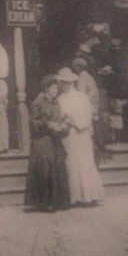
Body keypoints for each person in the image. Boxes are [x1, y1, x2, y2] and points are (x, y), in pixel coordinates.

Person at [56, 67, 104, 206]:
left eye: (68, 82)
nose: (66, 85)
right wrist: (64, 123)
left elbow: (87, 117)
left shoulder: (82, 98)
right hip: (68, 136)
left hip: (81, 134)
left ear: (73, 83)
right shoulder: (59, 99)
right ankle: (74, 197)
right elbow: (59, 117)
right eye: (63, 82)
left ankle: (89, 196)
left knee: (84, 163)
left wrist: (75, 122)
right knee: (71, 164)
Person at [24, 74, 70, 212]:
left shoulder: (56, 103)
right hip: (43, 140)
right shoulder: (38, 103)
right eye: (54, 88)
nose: (56, 90)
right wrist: (48, 125)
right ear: (46, 88)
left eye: (57, 88)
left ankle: (57, 202)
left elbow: (59, 120)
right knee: (45, 169)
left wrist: (63, 125)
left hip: (55, 140)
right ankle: (44, 202)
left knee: (57, 167)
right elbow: (33, 123)